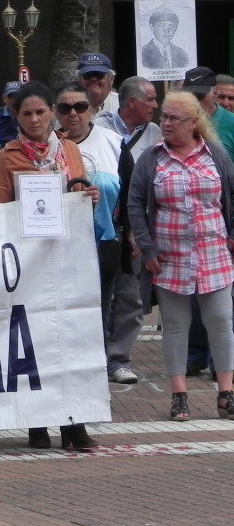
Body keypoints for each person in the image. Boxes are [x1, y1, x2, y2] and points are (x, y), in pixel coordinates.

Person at [0, 81, 100, 451]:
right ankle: (37, 423)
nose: (35, 119)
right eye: (26, 113)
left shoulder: (68, 150)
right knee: (33, 344)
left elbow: (78, 196)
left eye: (40, 112)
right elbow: (1, 215)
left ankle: (74, 422)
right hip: (29, 265)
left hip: (69, 258)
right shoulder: (7, 157)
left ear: (52, 112)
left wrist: (87, 198)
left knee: (72, 339)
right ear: (15, 117)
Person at [127, 91, 234, 422]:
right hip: (170, 256)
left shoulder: (215, 155)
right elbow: (135, 204)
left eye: (174, 118)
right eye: (164, 117)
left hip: (213, 252)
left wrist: (232, 235)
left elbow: (231, 196)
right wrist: (148, 248)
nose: (166, 123)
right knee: (176, 326)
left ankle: (226, 393)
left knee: (221, 322)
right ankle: (179, 395)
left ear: (193, 123)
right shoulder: (151, 158)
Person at [93, 76, 160, 385]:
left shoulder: (156, 133)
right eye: (151, 100)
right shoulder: (101, 131)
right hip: (106, 225)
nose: (156, 106)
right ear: (132, 102)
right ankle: (95, 356)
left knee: (131, 298)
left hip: (138, 227)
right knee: (100, 296)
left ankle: (119, 358)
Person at [55, 84, 123, 347]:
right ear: (55, 112)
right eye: (65, 108)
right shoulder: (46, 145)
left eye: (80, 107)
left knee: (103, 304)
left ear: (92, 110)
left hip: (104, 241)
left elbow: (130, 193)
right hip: (61, 245)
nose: (73, 113)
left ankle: (106, 360)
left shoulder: (113, 142)